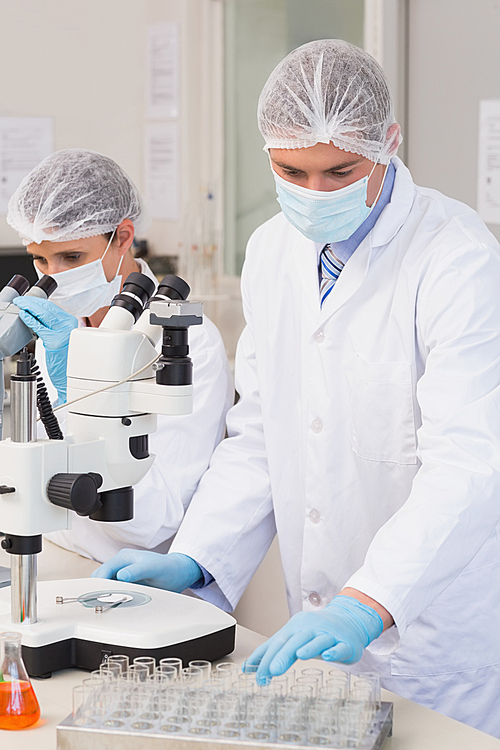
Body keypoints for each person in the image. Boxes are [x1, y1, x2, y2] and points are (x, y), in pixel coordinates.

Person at [94, 41, 500, 736]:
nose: (314, 193)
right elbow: (261, 433)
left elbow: (470, 465)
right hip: (317, 632)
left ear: (388, 144)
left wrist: (367, 603)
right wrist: (198, 555)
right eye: (291, 170)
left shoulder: (457, 260)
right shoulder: (273, 250)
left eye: (340, 171)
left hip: (432, 637)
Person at [7, 149, 233, 563]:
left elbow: (154, 520)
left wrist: (88, 397)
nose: (52, 277)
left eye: (72, 257)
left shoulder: (182, 340)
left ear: (123, 238)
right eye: (40, 258)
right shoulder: (53, 335)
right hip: (52, 551)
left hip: (131, 573)